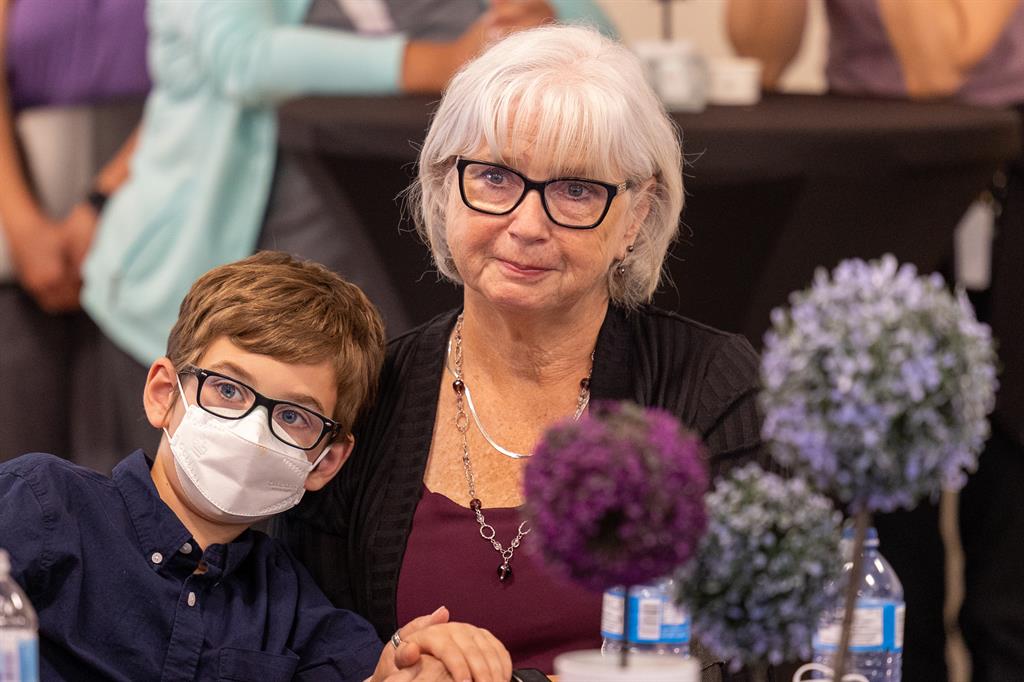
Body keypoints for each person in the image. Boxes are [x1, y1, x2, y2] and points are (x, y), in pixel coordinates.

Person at [277, 25, 778, 679]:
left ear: (634, 215)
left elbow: (760, 651)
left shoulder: (708, 387)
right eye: (494, 177)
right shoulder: (371, 392)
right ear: (442, 185)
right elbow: (300, 637)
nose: (527, 224)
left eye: (575, 190)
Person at [76, 0, 613, 475]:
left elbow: (602, 51)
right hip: (189, 285)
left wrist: (548, 38)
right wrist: (434, 61)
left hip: (379, 303)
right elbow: (243, 58)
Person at [0, 251, 514, 681]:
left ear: (327, 461)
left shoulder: (292, 611)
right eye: (227, 389)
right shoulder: (45, 505)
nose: (253, 427)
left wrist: (417, 659)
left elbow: (381, 673)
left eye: (293, 416)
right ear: (164, 394)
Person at [727, 3, 1024, 680]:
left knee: (1007, 579)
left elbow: (936, 67)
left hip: (1000, 171)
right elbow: (760, 55)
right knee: (881, 571)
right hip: (878, 176)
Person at [0, 0, 147, 461]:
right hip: (18, 235)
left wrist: (101, 205)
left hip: (154, 231)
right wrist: (22, 225)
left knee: (135, 459)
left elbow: (199, 86)